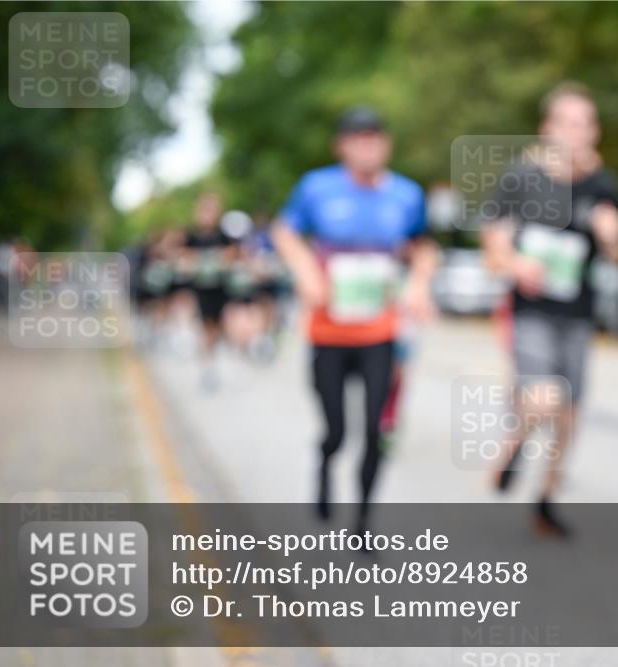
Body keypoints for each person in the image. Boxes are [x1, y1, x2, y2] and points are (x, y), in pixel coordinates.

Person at [271, 107, 438, 534]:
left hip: (380, 333)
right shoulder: (317, 188)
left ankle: (363, 520)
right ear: (341, 146)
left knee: (377, 428)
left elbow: (424, 247)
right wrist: (306, 270)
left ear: (387, 144)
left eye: (376, 138)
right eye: (358, 138)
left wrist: (419, 283)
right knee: (337, 430)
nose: (368, 146)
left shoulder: (406, 194)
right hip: (329, 332)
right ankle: (325, 463)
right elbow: (285, 233)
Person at [481, 82, 618, 537]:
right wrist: (515, 262)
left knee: (569, 414)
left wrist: (612, 238)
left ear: (594, 132)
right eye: (566, 123)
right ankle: (517, 440)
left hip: (579, 315)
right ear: (547, 129)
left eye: (583, 124)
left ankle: (545, 498)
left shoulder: (604, 187)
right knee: (545, 398)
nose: (574, 133)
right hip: (530, 312)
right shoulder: (520, 180)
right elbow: (492, 251)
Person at [180, 192, 237, 391]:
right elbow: (184, 260)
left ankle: (213, 359)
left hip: (220, 288)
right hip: (201, 289)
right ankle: (208, 365)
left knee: (220, 325)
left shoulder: (223, 235)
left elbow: (232, 256)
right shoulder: (191, 236)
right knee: (206, 326)